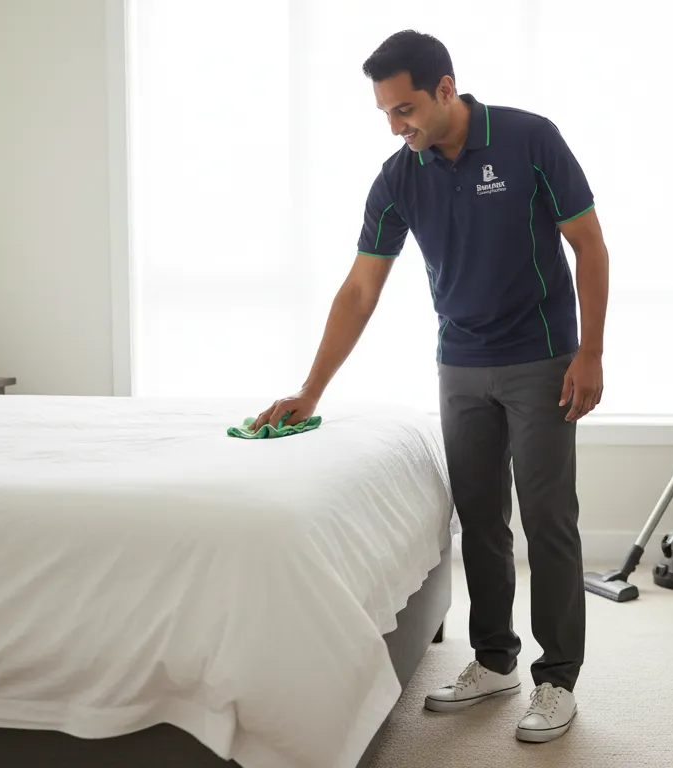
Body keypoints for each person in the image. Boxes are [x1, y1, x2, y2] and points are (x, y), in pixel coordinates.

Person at [250, 29, 610, 744]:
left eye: (405, 108)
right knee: (478, 517)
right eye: (385, 112)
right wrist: (311, 391)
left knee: (547, 519)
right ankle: (495, 661)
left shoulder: (529, 140)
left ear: (446, 88)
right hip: (460, 364)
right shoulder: (399, 177)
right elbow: (360, 289)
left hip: (541, 358)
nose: (396, 125)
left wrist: (590, 353)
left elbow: (589, 244)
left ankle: (558, 680)